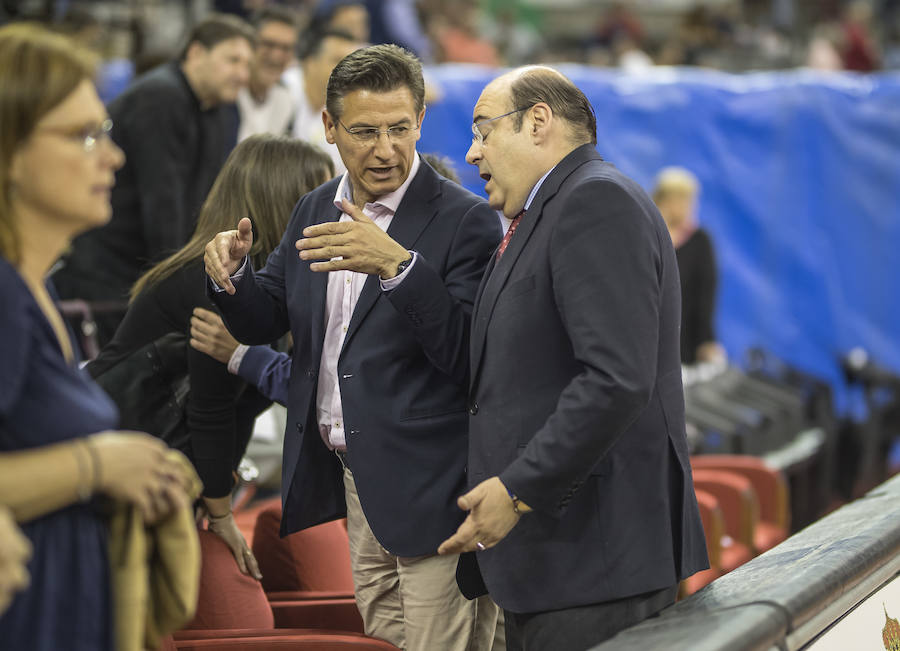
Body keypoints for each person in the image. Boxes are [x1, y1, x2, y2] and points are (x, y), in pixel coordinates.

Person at [204, 44, 502, 651]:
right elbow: (271, 311)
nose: (386, 149)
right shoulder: (315, 206)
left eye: (399, 129)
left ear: (421, 121)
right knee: (383, 642)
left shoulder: (465, 220)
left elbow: (469, 357)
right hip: (352, 480)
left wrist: (399, 268)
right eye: (365, 131)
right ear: (329, 127)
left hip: (437, 489)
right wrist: (231, 280)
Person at [438, 66, 709, 650]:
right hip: (562, 562)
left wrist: (516, 488)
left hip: (595, 559)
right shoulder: (542, 214)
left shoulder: (594, 201)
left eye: (483, 130)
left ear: (538, 122)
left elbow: (615, 378)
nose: (472, 151)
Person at [0, 23, 194, 650]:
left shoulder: (37, 291)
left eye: (104, 132)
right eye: (84, 136)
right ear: (9, 152)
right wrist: (98, 464)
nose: (111, 157)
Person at [89, 135, 335, 579]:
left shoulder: (266, 290)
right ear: (282, 199)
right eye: (316, 196)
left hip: (168, 463)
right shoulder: (213, 279)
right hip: (122, 459)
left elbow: (248, 399)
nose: (328, 208)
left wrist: (216, 488)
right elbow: (211, 407)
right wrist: (221, 515)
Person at [52, 14, 256, 347]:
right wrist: (178, 293)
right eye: (232, 60)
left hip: (142, 270)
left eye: (248, 64)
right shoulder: (161, 98)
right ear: (195, 54)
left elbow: (209, 202)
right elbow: (162, 207)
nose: (242, 75)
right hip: (105, 268)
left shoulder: (220, 110)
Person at [652, 166, 725, 365]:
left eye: (690, 200)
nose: (689, 206)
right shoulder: (645, 234)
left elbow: (706, 296)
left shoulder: (700, 241)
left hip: (681, 347)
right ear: (664, 200)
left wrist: (706, 341)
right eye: (682, 199)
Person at [282, 27, 362, 174]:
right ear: (310, 63)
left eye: (352, 63)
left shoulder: (343, 105)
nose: (348, 70)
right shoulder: (284, 90)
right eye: (337, 60)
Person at [237, 7, 300, 141]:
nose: (277, 55)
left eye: (286, 48)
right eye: (268, 44)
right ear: (248, 45)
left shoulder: (285, 99)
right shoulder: (228, 93)